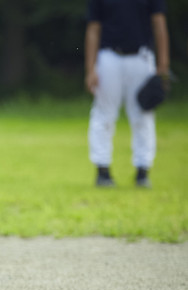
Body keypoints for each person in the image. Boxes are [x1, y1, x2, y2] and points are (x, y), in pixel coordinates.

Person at [85, 0, 170, 188]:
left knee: (143, 115)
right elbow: (93, 28)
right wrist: (90, 69)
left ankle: (142, 171)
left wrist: (163, 66)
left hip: (141, 57)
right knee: (103, 115)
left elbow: (159, 24)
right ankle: (102, 171)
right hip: (108, 57)